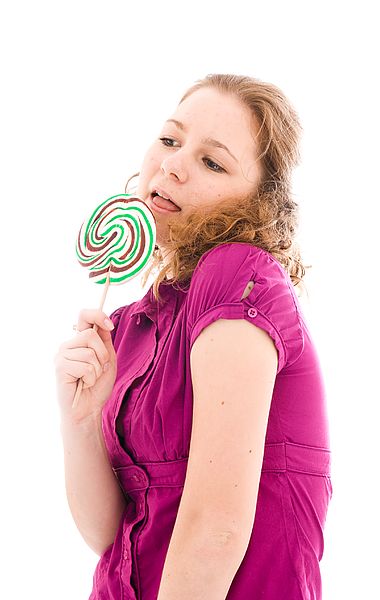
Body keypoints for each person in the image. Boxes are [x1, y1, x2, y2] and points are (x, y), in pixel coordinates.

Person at [54, 73, 332, 600]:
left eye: (212, 162)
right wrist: (84, 421)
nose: (173, 165)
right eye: (169, 140)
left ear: (257, 203)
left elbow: (216, 530)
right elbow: (111, 537)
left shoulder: (239, 275)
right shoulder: (135, 322)